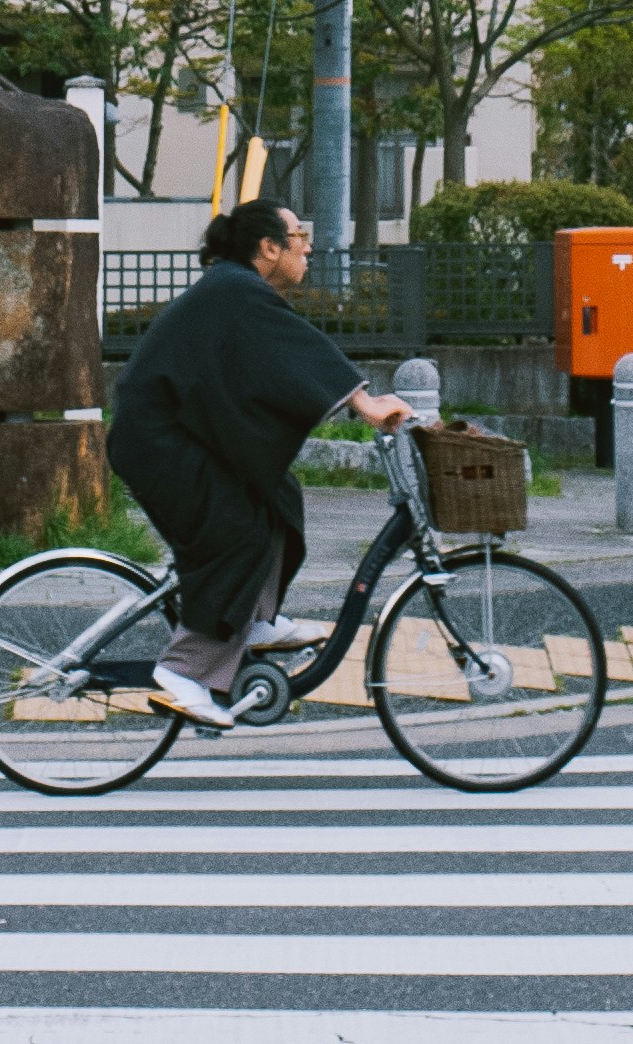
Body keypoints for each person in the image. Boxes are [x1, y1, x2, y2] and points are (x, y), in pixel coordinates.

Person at [106, 197, 412, 729]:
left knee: (275, 495)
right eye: (299, 236)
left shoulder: (236, 288)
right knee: (238, 530)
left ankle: (253, 620)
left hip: (177, 436)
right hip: (158, 444)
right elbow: (298, 351)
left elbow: (268, 367)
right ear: (268, 248)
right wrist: (365, 403)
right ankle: (182, 673)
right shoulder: (235, 289)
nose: (309, 246)